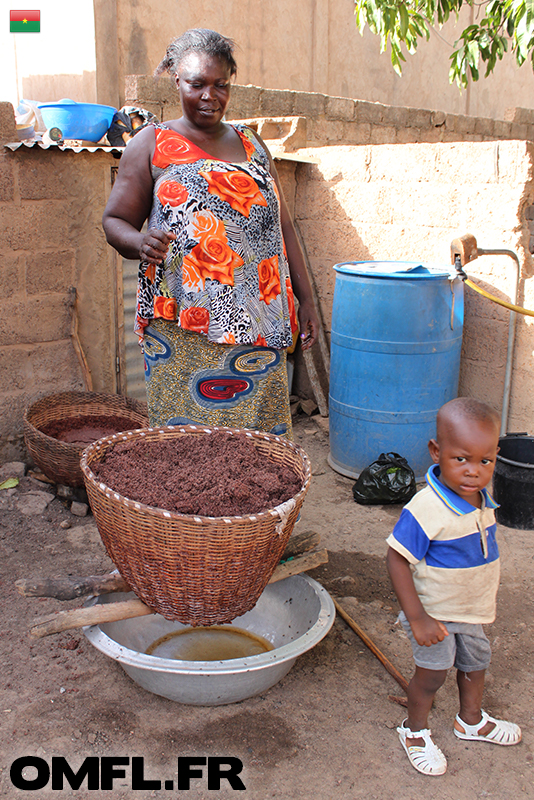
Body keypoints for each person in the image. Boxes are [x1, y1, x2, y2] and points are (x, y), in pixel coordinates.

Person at [102, 28, 319, 439]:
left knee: (256, 441)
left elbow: (283, 225)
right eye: (197, 84)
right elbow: (114, 221)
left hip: (261, 316)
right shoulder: (151, 144)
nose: (209, 95)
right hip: (183, 322)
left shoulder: (253, 145)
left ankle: (255, 506)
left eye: (221, 85)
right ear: (177, 82)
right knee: (187, 439)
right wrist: (138, 242)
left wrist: (305, 299)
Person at [386, 397, 521, 776]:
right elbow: (396, 558)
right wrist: (418, 618)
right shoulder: (426, 508)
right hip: (436, 614)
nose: (473, 472)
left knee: (475, 665)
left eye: (485, 461)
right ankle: (414, 731)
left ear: (496, 455)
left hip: (472, 612)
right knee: (431, 676)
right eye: (460, 459)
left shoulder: (483, 500)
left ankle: (471, 721)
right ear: (436, 451)